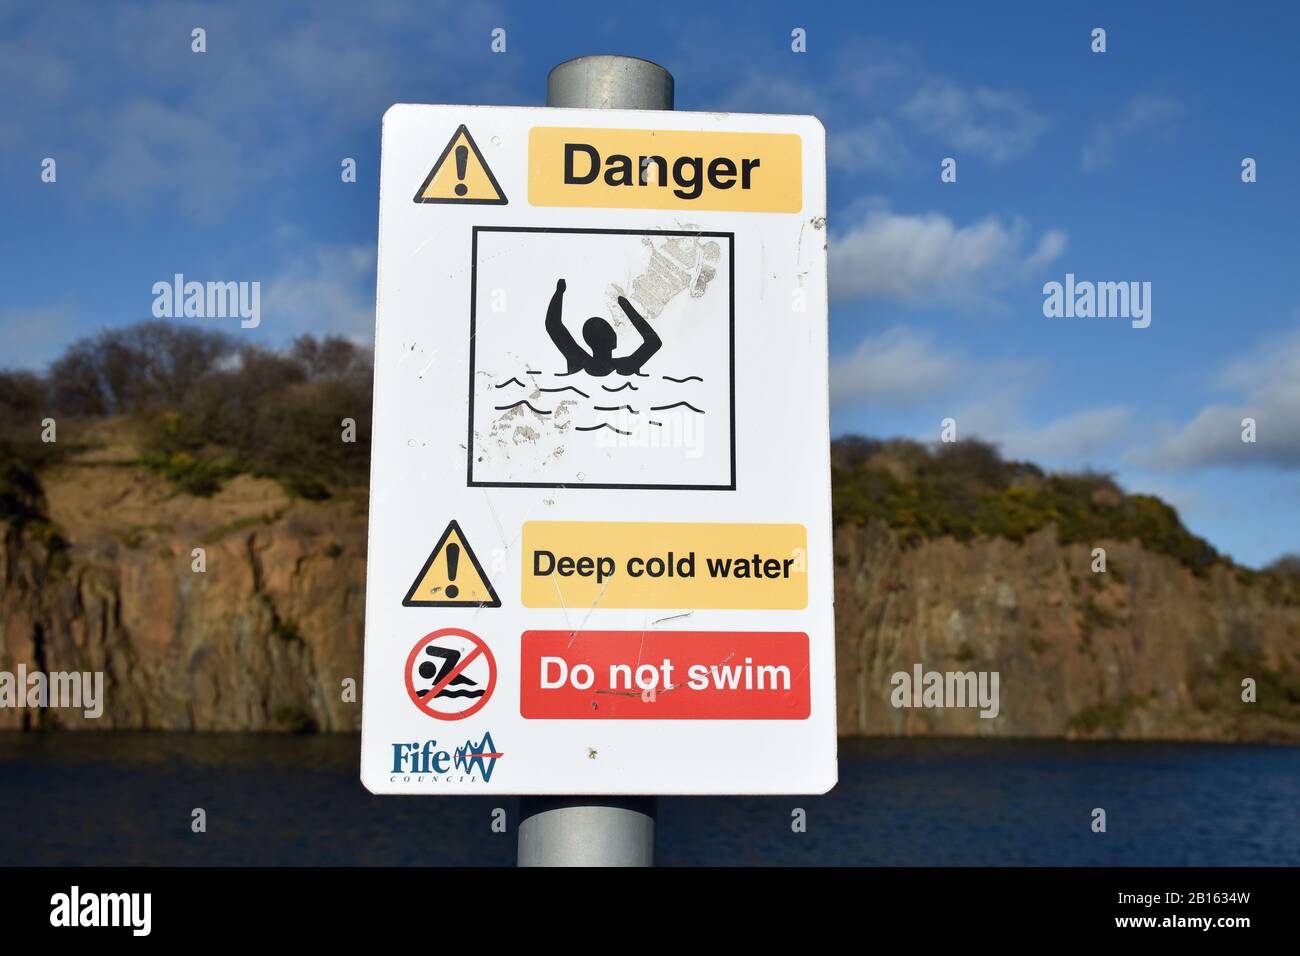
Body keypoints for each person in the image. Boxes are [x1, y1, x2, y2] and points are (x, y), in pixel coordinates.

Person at [544, 278, 661, 376]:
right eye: (609, 331)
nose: (613, 334)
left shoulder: (579, 359)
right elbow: (654, 342)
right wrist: (629, 311)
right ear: (611, 339)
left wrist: (559, 293)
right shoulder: (625, 366)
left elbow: (553, 325)